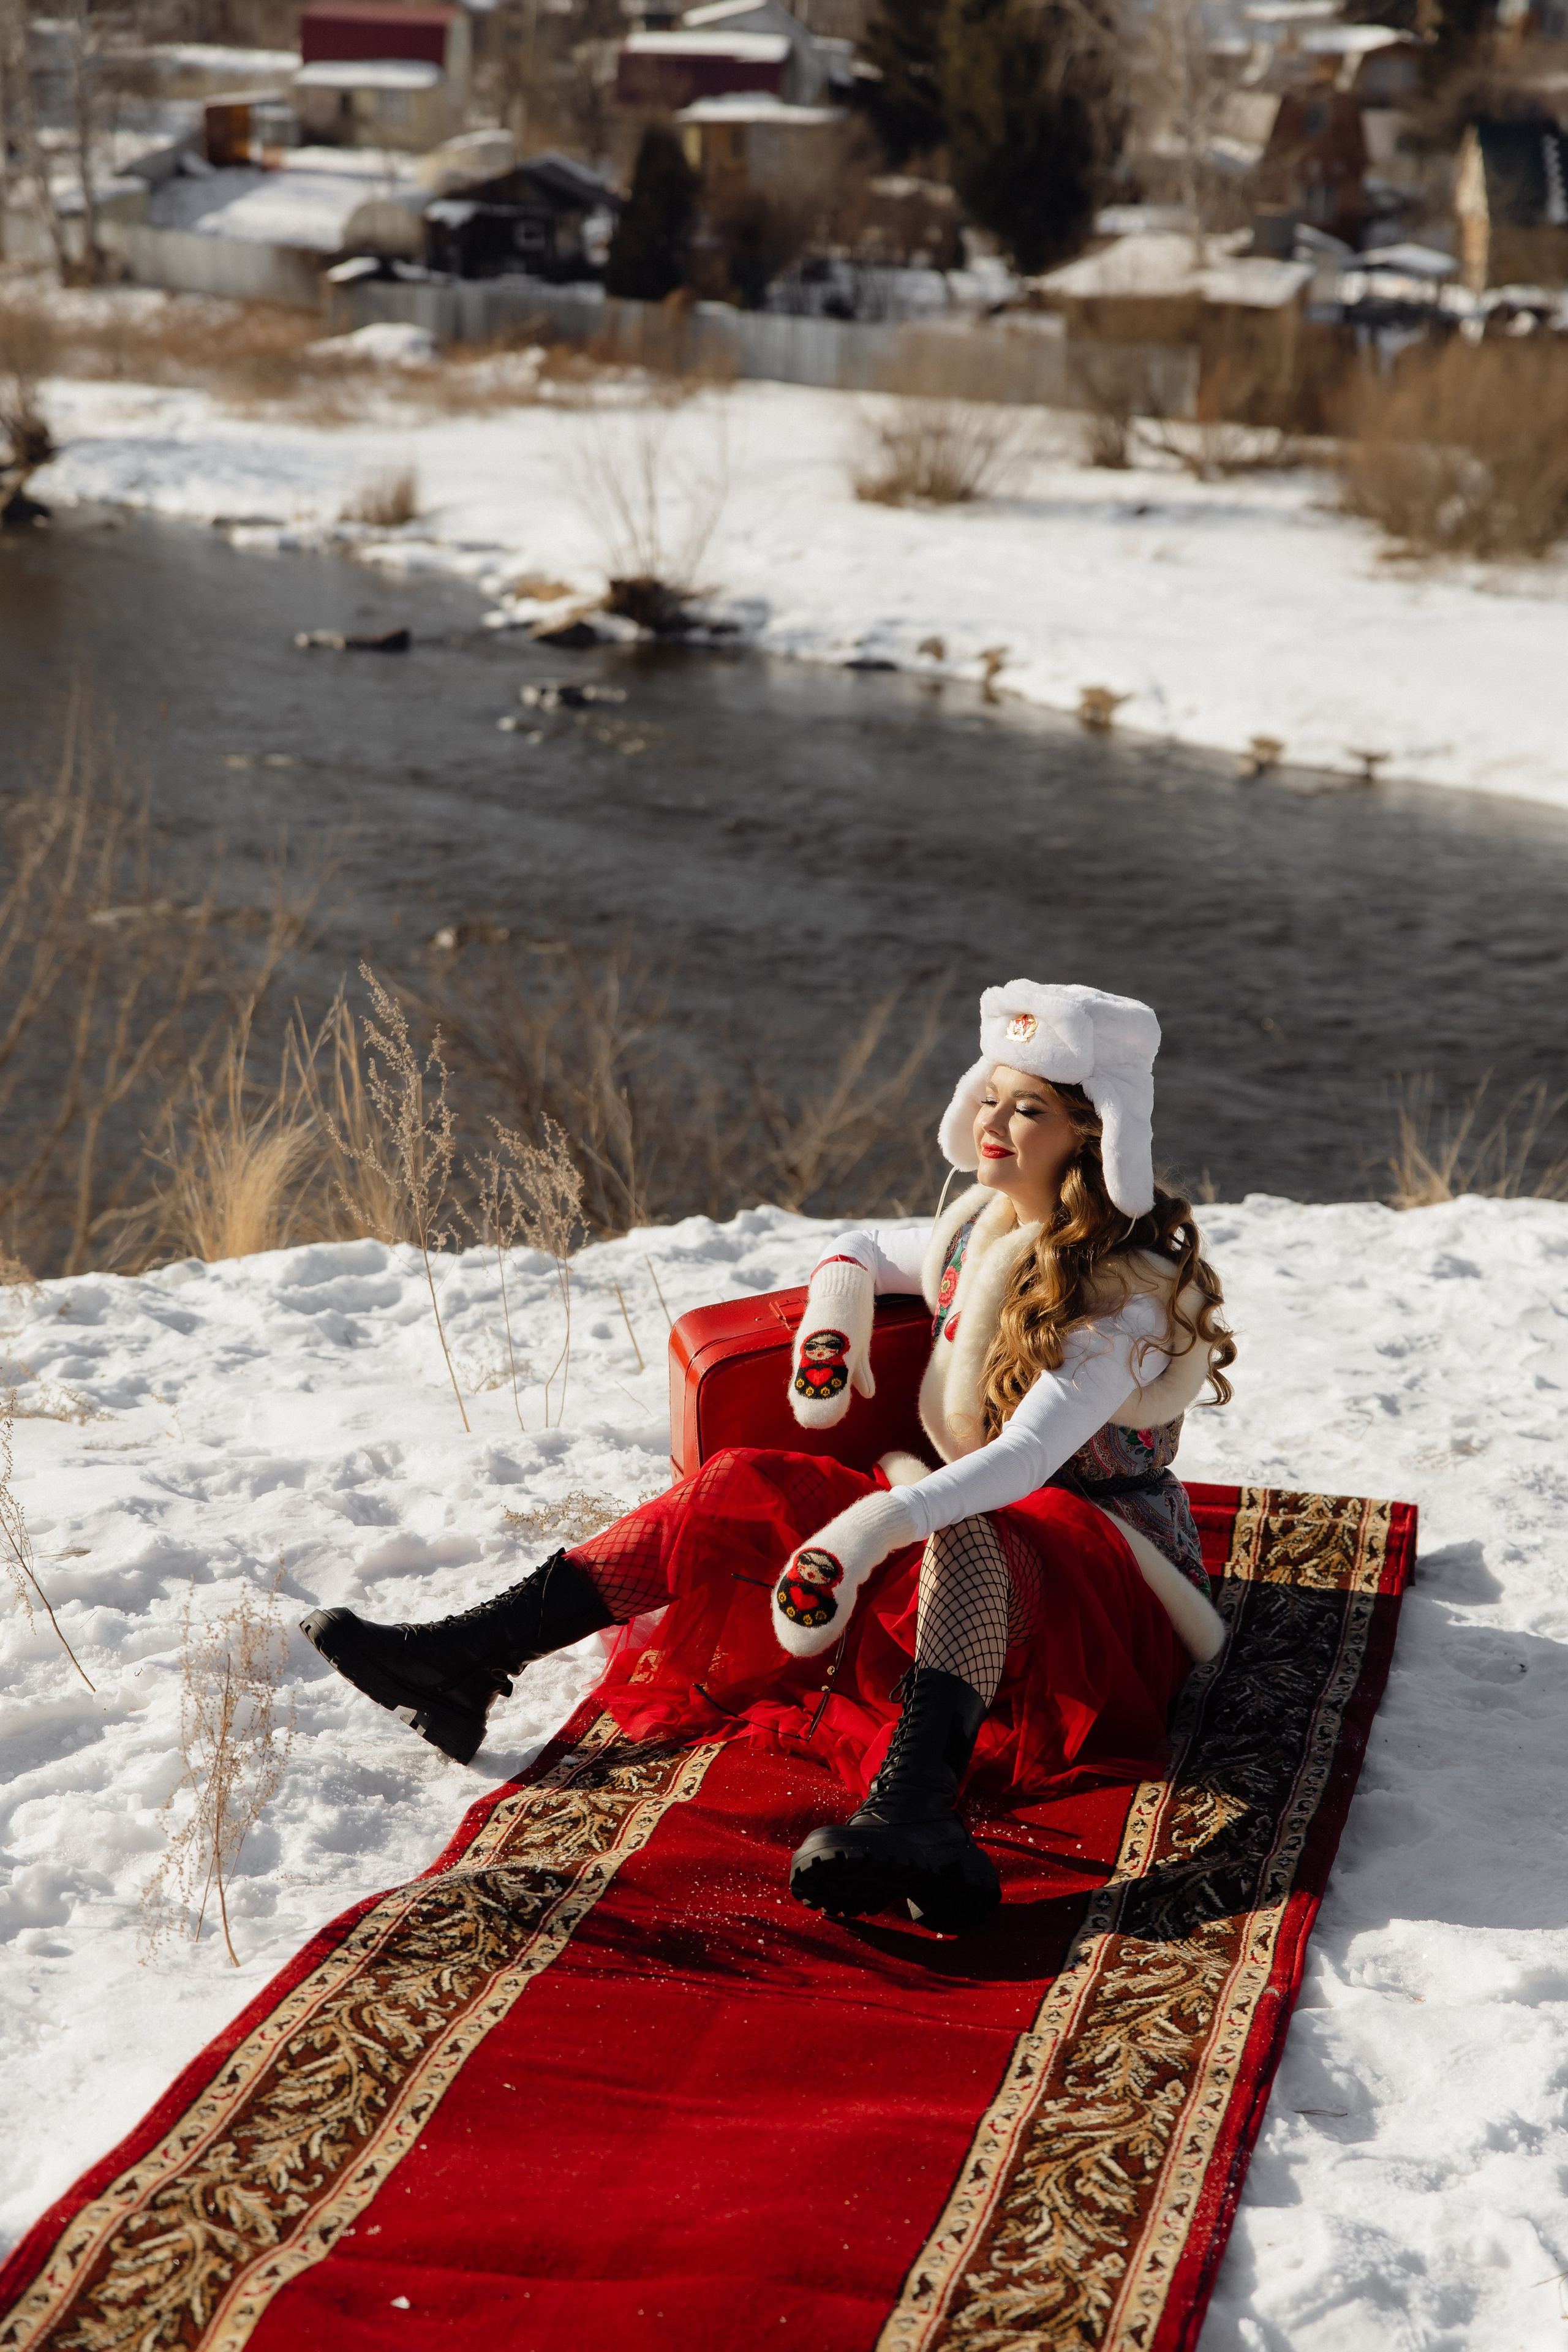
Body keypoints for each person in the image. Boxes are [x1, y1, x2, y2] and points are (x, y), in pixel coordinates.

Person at [303, 980, 1235, 1934]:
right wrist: (832, 1334)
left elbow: (1026, 1463)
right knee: (742, 1483)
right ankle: (466, 1660)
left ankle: (917, 1815)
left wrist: (871, 1526)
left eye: (1028, 1108)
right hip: (980, 1526)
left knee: (968, 1531)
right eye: (989, 1096)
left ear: (1092, 1132)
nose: (994, 1121)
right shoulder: (985, 1228)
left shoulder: (1126, 1297)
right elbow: (864, 1249)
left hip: (1108, 1589)